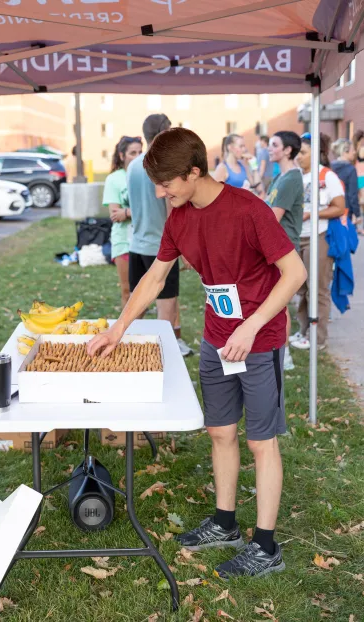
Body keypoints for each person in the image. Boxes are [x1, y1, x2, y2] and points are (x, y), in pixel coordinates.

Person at [88, 127, 307, 580]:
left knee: (259, 442)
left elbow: (294, 273)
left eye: (166, 184)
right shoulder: (180, 216)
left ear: (193, 172)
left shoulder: (249, 210)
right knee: (220, 432)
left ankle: (266, 546)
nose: (159, 192)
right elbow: (153, 278)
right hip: (215, 339)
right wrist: (119, 328)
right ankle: (225, 523)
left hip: (258, 341)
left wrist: (251, 325)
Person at [127, 114, 192, 357]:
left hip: (138, 244)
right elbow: (170, 209)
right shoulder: (161, 165)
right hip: (160, 249)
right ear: (163, 132)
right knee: (166, 311)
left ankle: (123, 344)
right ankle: (165, 359)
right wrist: (183, 246)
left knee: (137, 305)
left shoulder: (133, 165)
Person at [290, 132, 345, 351]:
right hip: (298, 237)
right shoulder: (295, 175)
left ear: (315, 153)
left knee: (318, 288)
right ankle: (303, 330)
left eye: (303, 153)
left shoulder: (326, 176)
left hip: (319, 237)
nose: (298, 157)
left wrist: (312, 214)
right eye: (297, 153)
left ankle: (318, 338)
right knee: (301, 288)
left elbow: (339, 207)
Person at [266, 131, 304, 371]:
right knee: (273, 302)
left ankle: (285, 354)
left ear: (288, 150)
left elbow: (271, 217)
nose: (270, 148)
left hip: (285, 250)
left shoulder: (291, 178)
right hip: (275, 248)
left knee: (279, 304)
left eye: (274, 145)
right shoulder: (279, 176)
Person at [102, 136, 143, 307]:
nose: (137, 156)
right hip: (123, 241)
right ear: (122, 155)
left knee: (151, 292)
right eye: (132, 153)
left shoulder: (148, 176)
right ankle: (127, 332)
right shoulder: (114, 179)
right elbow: (114, 213)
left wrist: (126, 212)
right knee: (128, 291)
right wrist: (138, 212)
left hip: (145, 240)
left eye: (140, 152)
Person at [331, 139, 361, 224]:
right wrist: (357, 214)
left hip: (331, 210)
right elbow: (352, 195)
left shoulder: (330, 167)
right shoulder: (351, 169)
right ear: (345, 152)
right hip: (346, 212)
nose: (354, 152)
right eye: (352, 150)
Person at [353, 130, 364, 235]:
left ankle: (357, 225)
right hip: (361, 176)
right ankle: (360, 226)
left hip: (357, 175)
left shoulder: (354, 149)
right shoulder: (361, 150)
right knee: (361, 202)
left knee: (359, 202)